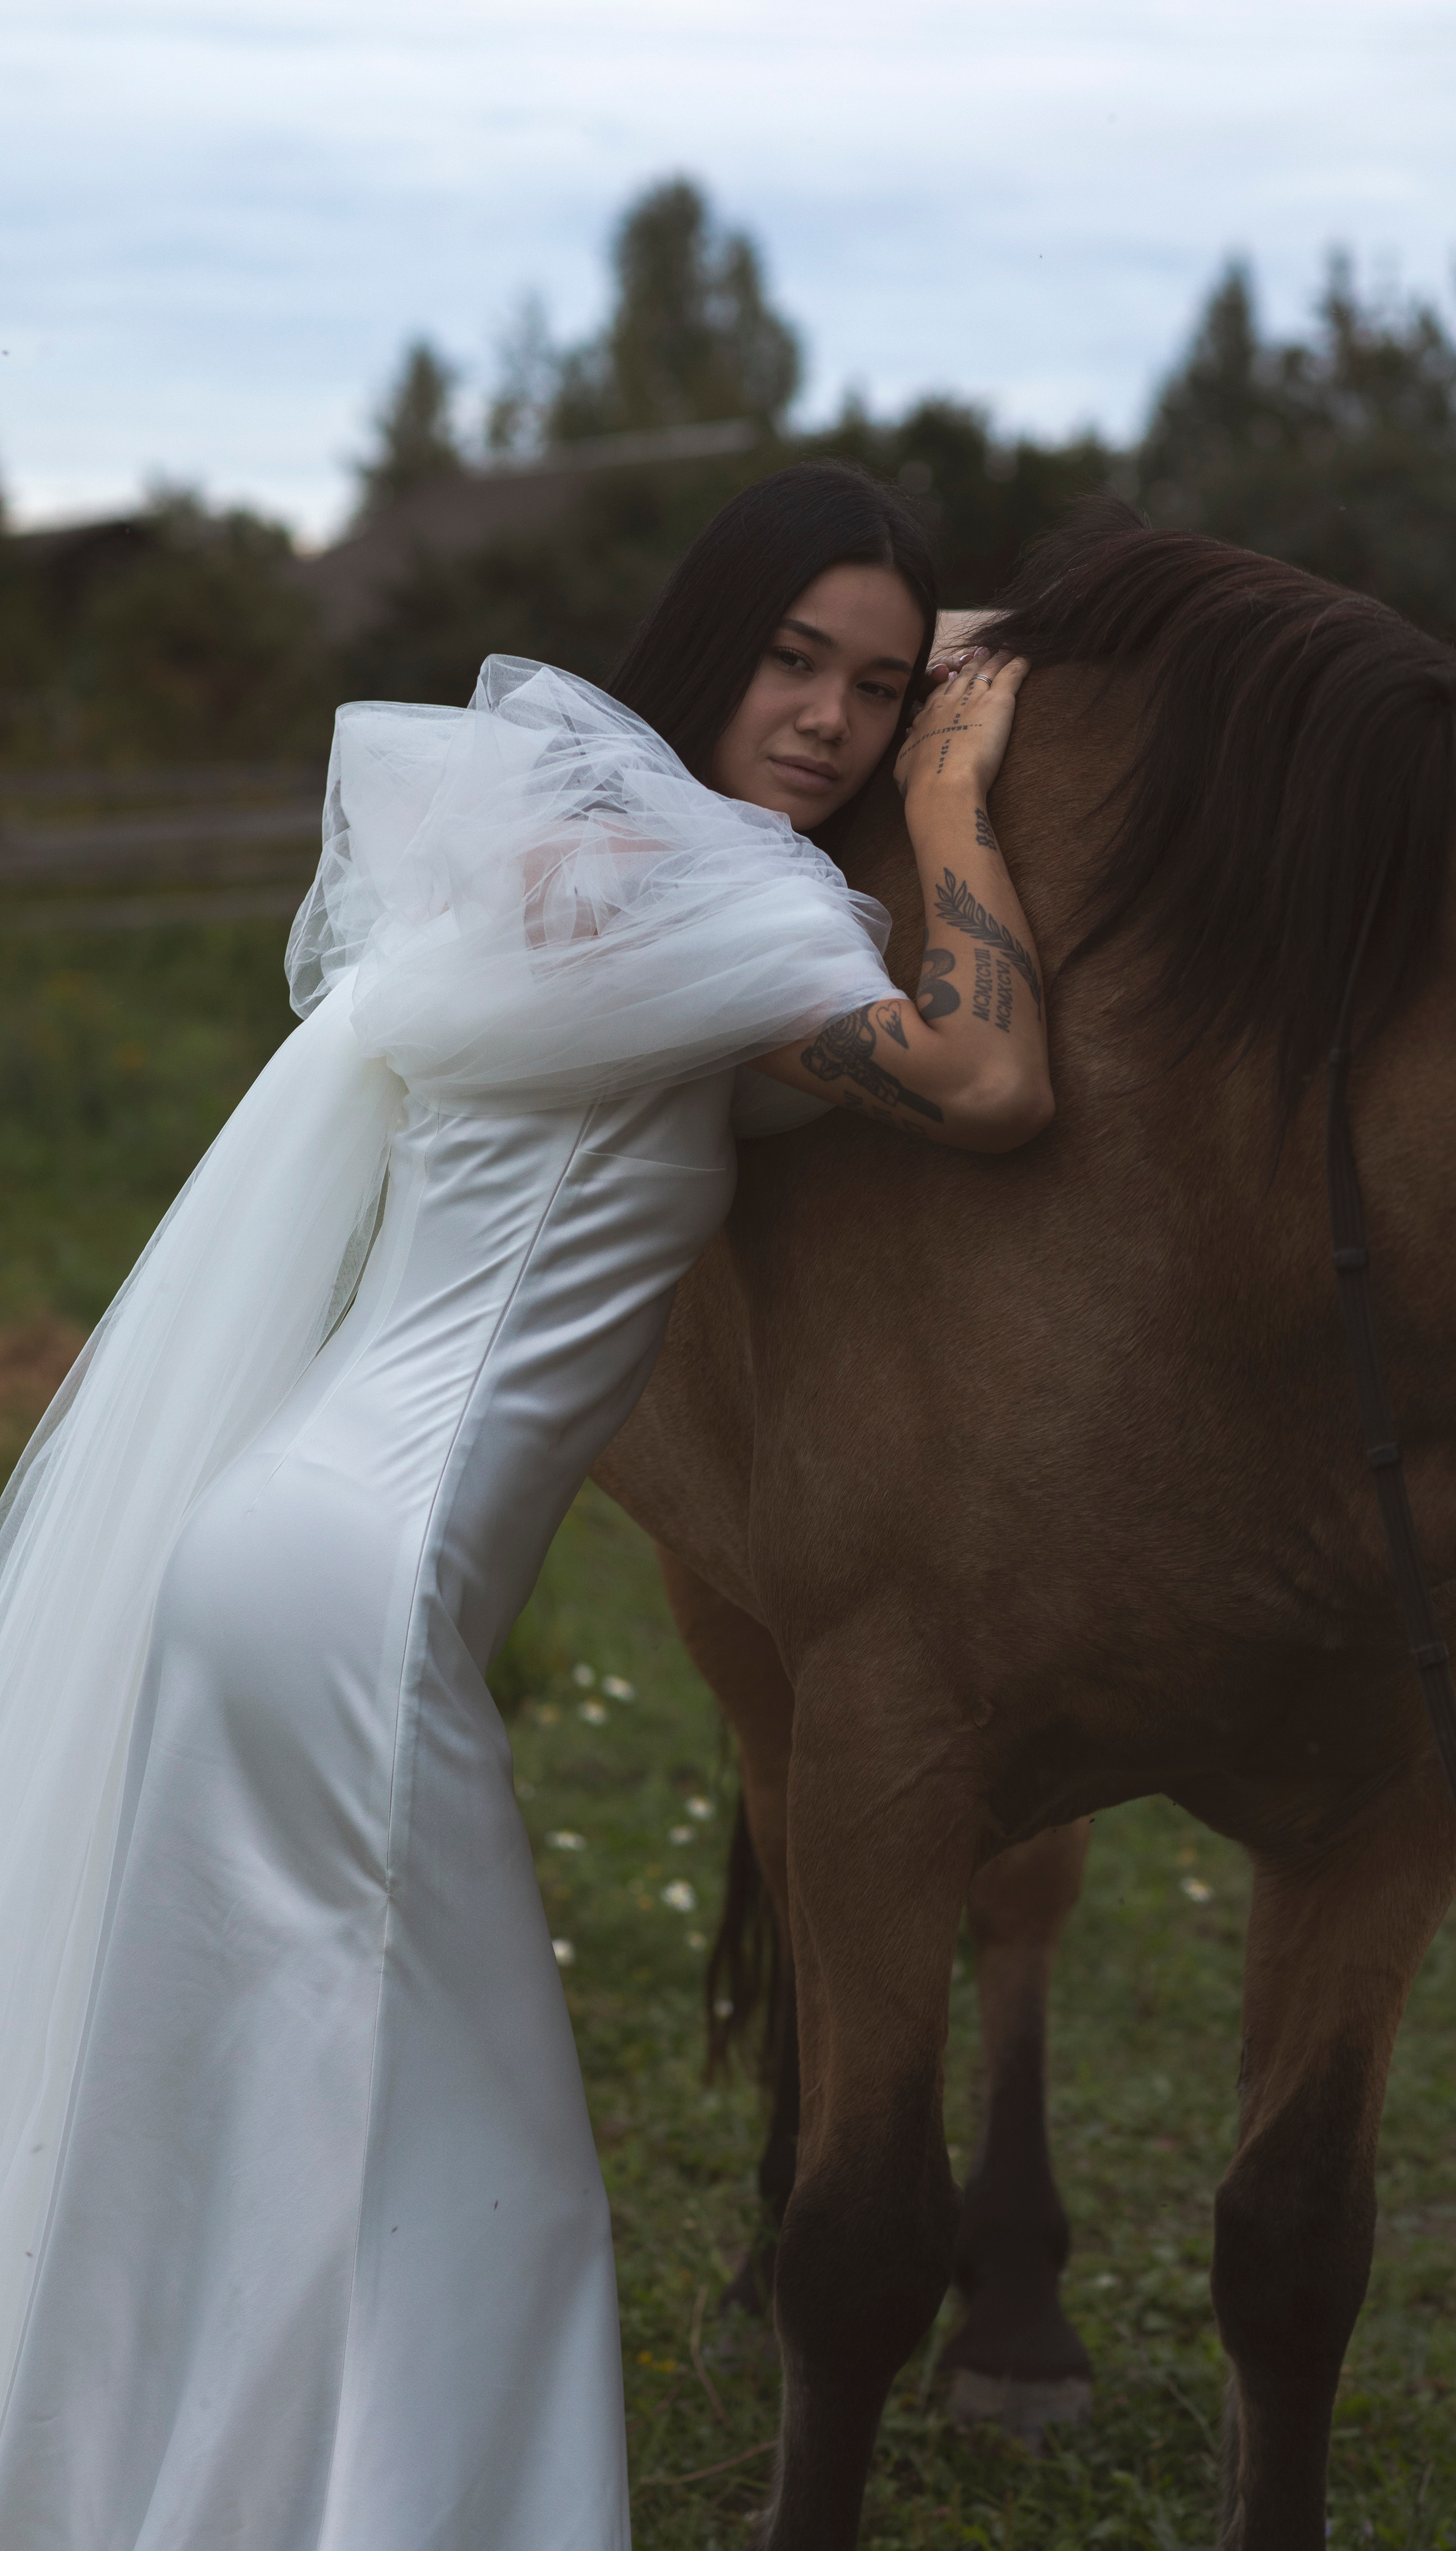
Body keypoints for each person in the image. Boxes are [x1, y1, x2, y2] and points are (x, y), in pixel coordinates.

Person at [0, 462, 1051, 2550]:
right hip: (371, 1600)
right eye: (792, 661)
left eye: (875, 690)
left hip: (274, 1547)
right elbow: (998, 1084)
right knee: (476, 2173)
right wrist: (952, 792)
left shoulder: (569, 856)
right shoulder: (738, 911)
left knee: (265, 2100)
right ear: (710, 642)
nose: (832, 721)